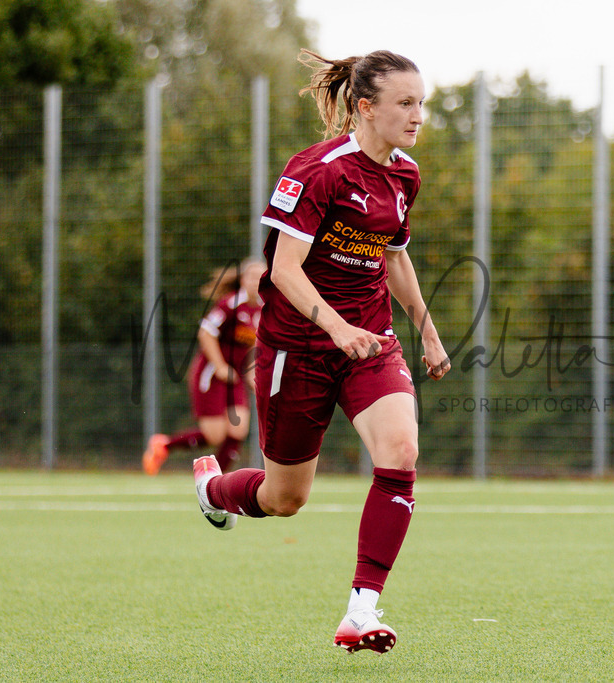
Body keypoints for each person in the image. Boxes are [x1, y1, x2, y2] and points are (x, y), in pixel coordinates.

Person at [191, 49, 450, 654]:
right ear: (365, 107)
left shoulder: (405, 174)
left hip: (370, 342)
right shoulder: (317, 170)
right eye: (405, 104)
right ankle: (213, 489)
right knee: (285, 499)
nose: (418, 116)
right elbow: (284, 269)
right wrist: (335, 328)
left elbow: (394, 256)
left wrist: (428, 330)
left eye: (422, 104)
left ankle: (361, 611)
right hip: (298, 349)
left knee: (402, 450)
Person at [142, 258, 263, 475]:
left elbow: (254, 345)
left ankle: (216, 483)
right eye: (252, 277)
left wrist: (252, 373)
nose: (256, 282)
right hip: (210, 375)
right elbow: (206, 333)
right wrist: (219, 366)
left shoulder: (264, 309)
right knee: (214, 436)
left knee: (238, 431)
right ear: (243, 280)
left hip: (233, 378)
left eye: (261, 278)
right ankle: (164, 445)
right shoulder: (230, 304)